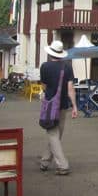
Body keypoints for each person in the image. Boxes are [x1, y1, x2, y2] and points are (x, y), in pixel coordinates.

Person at [38, 40, 78, 175]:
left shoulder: (45, 66)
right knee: (56, 134)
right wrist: (74, 106)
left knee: (53, 134)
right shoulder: (67, 67)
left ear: (50, 53)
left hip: (50, 104)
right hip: (62, 106)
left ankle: (63, 165)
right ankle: (44, 161)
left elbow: (43, 86)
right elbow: (70, 88)